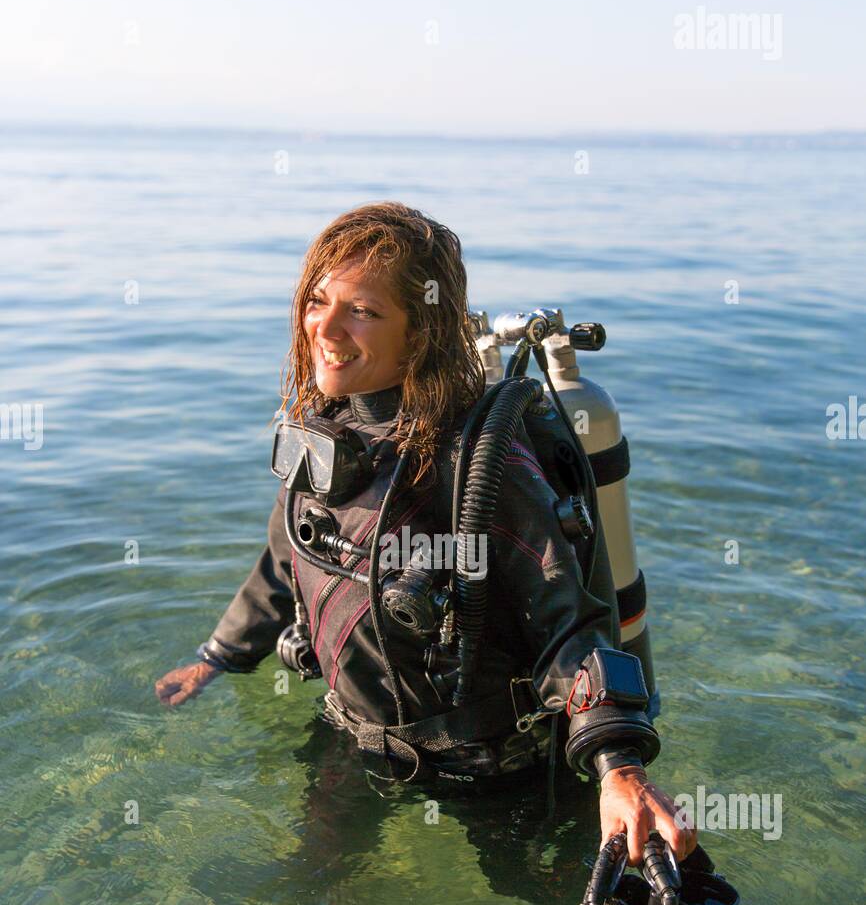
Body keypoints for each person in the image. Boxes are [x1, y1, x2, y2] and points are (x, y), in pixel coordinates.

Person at [155, 202, 698, 868]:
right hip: (353, 735)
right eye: (318, 301)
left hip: (490, 766)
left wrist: (618, 766)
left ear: (421, 334)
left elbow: (570, 623)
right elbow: (282, 564)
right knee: (312, 892)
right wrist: (216, 658)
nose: (324, 327)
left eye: (363, 311)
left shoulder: (479, 466)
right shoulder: (323, 436)